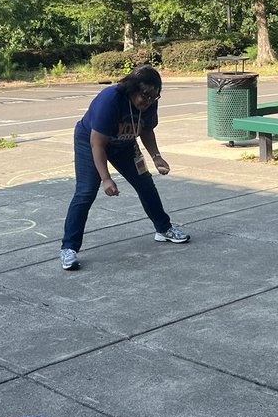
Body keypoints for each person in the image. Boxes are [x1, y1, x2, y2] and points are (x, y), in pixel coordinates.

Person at [60, 65, 189, 270]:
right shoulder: (110, 100)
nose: (147, 101)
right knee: (85, 192)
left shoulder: (149, 104)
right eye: (144, 95)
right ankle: (69, 248)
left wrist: (157, 157)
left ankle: (163, 229)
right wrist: (106, 178)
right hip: (90, 142)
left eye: (153, 97)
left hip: (125, 144)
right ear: (131, 89)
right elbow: (97, 144)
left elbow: (146, 131)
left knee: (145, 184)